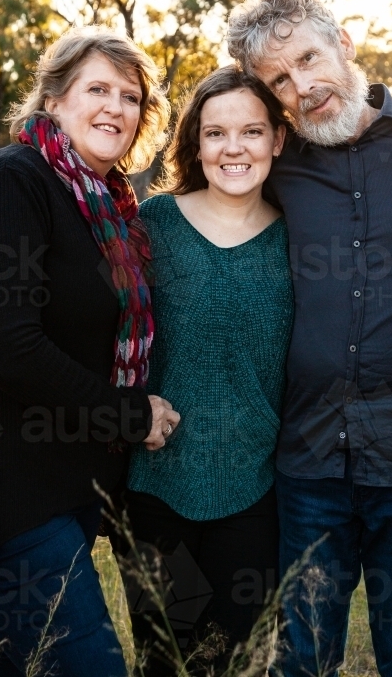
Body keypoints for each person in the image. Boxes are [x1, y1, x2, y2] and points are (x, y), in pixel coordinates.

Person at [226, 0, 392, 677]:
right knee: (298, 661)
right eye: (278, 79)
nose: (301, 86)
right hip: (307, 463)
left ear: (344, 46)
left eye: (307, 58)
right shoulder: (274, 166)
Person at [0, 27, 178, 677]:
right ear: (54, 99)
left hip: (52, 482)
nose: (115, 108)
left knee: (7, 664)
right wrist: (131, 415)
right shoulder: (8, 184)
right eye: (97, 89)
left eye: (130, 97)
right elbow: (7, 347)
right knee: (90, 663)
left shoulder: (105, 208)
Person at [116, 66, 294, 675]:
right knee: (164, 657)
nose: (234, 147)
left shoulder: (298, 240)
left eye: (251, 131)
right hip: (155, 485)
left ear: (277, 140)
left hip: (256, 488)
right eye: (216, 133)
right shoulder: (152, 224)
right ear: (195, 144)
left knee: (239, 660)